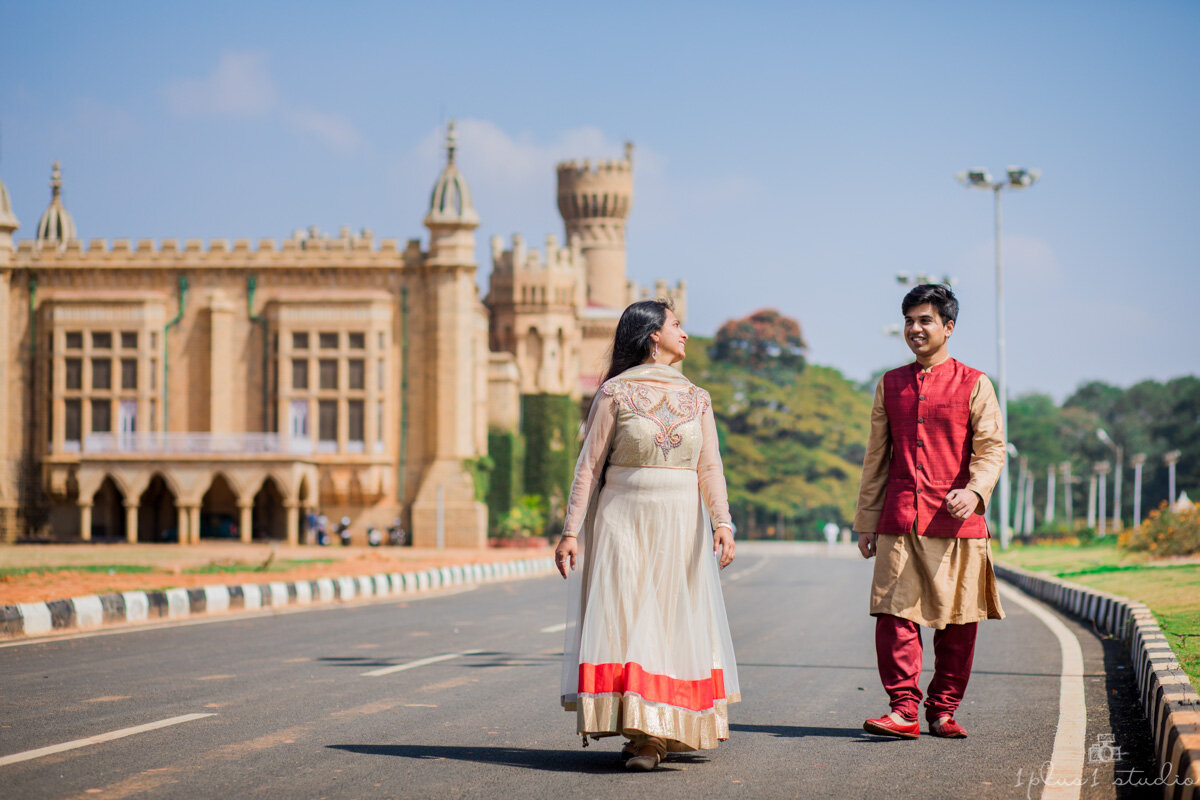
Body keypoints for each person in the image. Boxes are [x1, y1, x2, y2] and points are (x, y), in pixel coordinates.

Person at [555, 299, 738, 772]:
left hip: (681, 522)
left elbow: (710, 467)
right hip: (623, 520)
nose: (685, 333)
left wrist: (723, 523)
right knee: (630, 617)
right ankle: (645, 735)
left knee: (672, 619)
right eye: (676, 324)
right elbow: (589, 467)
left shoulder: (698, 398)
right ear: (653, 335)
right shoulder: (615, 393)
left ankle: (661, 727)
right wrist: (571, 531)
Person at [854, 284, 1006, 740]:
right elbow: (876, 457)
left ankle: (943, 710)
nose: (915, 329)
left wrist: (975, 492)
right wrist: (866, 520)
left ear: (948, 327)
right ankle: (902, 709)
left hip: (958, 522)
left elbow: (991, 449)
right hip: (900, 519)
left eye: (925, 321)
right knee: (894, 616)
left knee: (958, 620)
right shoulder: (891, 383)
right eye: (909, 321)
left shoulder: (975, 382)